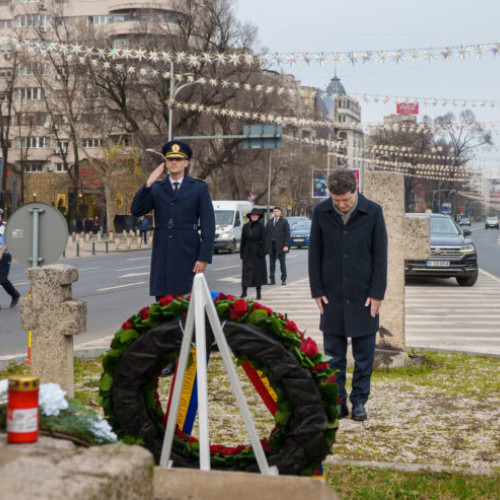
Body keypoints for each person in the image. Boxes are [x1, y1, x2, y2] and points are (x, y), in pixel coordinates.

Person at [308, 169, 387, 422]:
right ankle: (338, 401)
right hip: (331, 295)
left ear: (355, 191)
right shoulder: (321, 212)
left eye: (346, 200)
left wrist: (377, 293)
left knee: (364, 357)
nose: (341, 205)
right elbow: (314, 253)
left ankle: (359, 401)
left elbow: (380, 256)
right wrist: (317, 290)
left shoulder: (373, 212)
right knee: (333, 357)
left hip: (365, 296)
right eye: (336, 200)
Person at [131, 140, 215, 299]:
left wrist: (204, 258)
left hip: (188, 253)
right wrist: (148, 184)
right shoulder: (156, 188)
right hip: (163, 253)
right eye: (170, 159)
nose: (174, 162)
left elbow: (208, 226)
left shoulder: (199, 188)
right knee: (164, 302)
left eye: (178, 159)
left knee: (188, 302)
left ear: (186, 163)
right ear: (166, 162)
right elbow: (136, 211)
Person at [240, 208, 268, 300]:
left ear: (259, 217)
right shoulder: (246, 226)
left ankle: (258, 293)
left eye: (256, 215)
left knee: (258, 273)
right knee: (246, 272)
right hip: (247, 251)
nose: (254, 216)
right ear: (250, 216)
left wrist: (263, 251)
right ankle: (244, 292)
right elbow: (243, 240)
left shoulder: (261, 227)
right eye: (252, 215)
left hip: (257, 252)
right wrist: (242, 252)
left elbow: (265, 240)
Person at [0, 208, 21, 310]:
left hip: (4, 256)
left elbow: (9, 242)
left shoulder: (6, 227)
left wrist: (1, 252)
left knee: (3, 280)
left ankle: (15, 294)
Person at [265, 206, 290, 285]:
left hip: (281, 246)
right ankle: (272, 279)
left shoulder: (284, 221)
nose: (276, 213)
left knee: (282, 263)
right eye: (274, 211)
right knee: (272, 264)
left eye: (277, 211)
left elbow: (287, 234)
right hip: (271, 246)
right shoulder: (270, 222)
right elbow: (266, 234)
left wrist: (286, 245)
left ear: (280, 213)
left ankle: (283, 279)